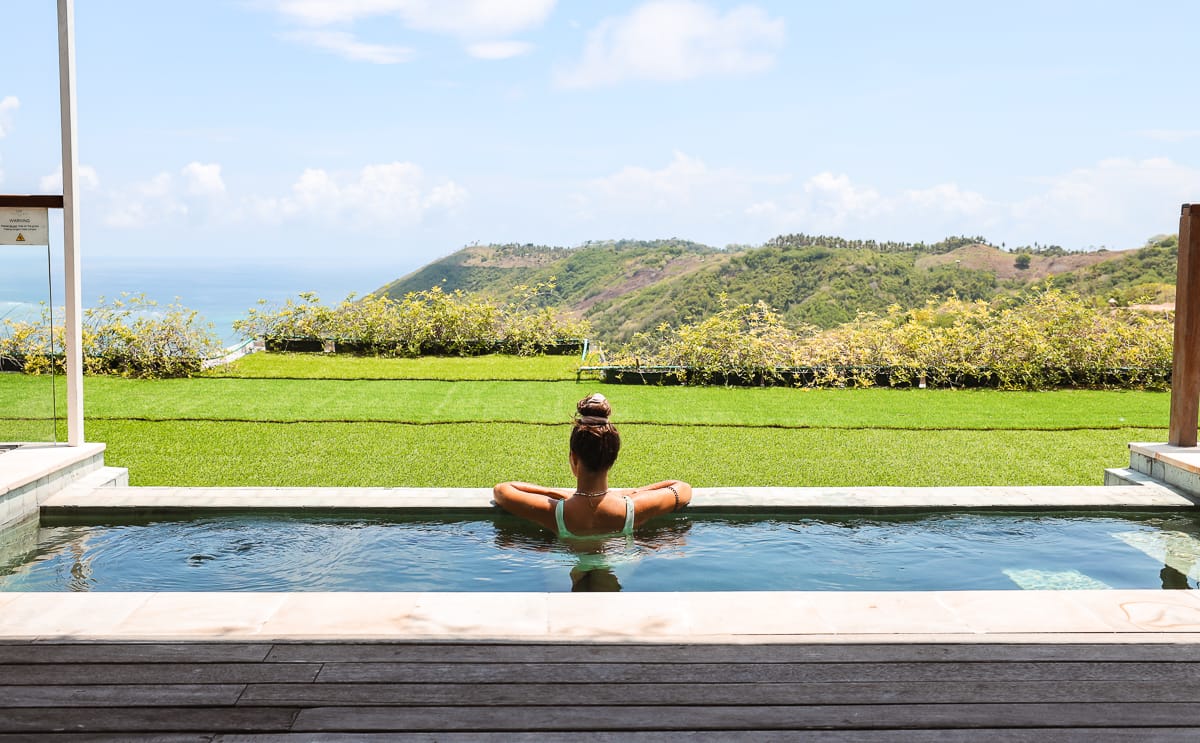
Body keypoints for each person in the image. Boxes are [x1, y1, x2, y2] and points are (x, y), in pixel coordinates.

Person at [493, 393, 691, 540]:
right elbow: (682, 488)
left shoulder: (554, 512)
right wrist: (630, 493)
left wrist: (562, 495)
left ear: (574, 459)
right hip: (620, 562)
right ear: (613, 458)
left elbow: (502, 490)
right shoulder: (633, 508)